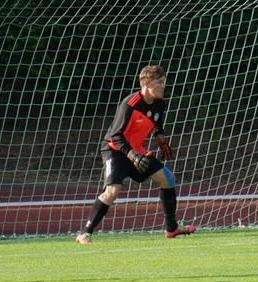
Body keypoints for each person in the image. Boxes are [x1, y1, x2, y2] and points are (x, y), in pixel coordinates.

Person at [76, 64, 196, 244]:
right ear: (146, 83)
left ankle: (172, 229)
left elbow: (158, 125)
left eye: (164, 82)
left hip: (136, 151)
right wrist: (132, 155)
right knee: (112, 191)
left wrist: (160, 137)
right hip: (115, 150)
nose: (163, 86)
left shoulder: (159, 103)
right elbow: (116, 136)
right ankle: (84, 233)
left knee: (168, 178)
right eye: (159, 82)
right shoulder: (129, 104)